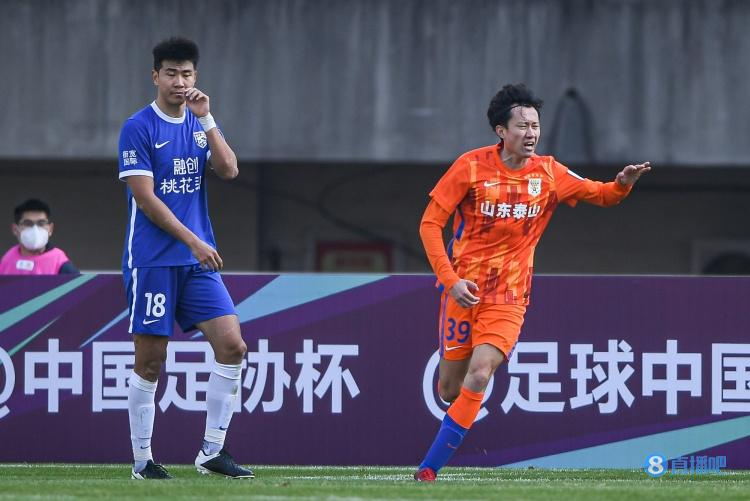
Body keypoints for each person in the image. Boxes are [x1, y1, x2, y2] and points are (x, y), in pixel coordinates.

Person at [414, 84, 651, 481]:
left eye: (535, 126)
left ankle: (428, 469)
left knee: (481, 373)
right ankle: (443, 441)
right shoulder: (469, 167)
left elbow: (603, 194)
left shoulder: (550, 172)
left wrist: (622, 183)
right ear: (501, 131)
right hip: (463, 292)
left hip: (509, 296)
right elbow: (429, 224)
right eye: (522, 126)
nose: (531, 134)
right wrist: (450, 280)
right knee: (449, 390)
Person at [118, 37, 253, 480]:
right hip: (153, 260)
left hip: (196, 262)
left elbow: (229, 169)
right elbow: (146, 199)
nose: (180, 81)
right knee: (151, 360)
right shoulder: (138, 127)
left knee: (233, 346)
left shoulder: (198, 122)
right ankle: (143, 461)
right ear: (155, 76)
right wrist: (194, 241)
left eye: (187, 74)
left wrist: (208, 119)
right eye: (172, 73)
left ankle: (211, 452)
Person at [0, 199, 79, 275]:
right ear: (15, 229)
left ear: (50, 229)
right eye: (27, 223)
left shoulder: (60, 263)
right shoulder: (8, 260)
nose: (35, 229)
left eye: (41, 223)